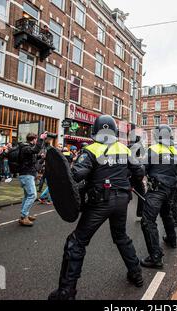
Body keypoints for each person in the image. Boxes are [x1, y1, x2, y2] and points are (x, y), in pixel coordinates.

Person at [48, 115, 144, 300]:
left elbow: (75, 176)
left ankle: (66, 292)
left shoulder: (90, 150)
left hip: (100, 202)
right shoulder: (124, 149)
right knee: (121, 236)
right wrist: (125, 180)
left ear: (95, 131)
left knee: (76, 242)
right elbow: (139, 172)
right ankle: (136, 273)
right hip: (122, 201)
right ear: (114, 132)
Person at [139, 125, 177, 269]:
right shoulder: (175, 152)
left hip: (157, 190)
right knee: (167, 215)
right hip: (171, 190)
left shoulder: (153, 150)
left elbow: (142, 169)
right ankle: (172, 240)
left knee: (148, 221)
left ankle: (155, 257)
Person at [17, 132, 47, 227]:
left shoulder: (27, 148)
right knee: (32, 195)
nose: (36, 141)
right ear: (34, 139)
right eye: (36, 139)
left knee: (27, 196)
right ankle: (24, 216)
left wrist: (39, 156)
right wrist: (41, 139)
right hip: (26, 174)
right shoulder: (26, 147)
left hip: (27, 174)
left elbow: (31, 156)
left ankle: (24, 214)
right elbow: (35, 150)